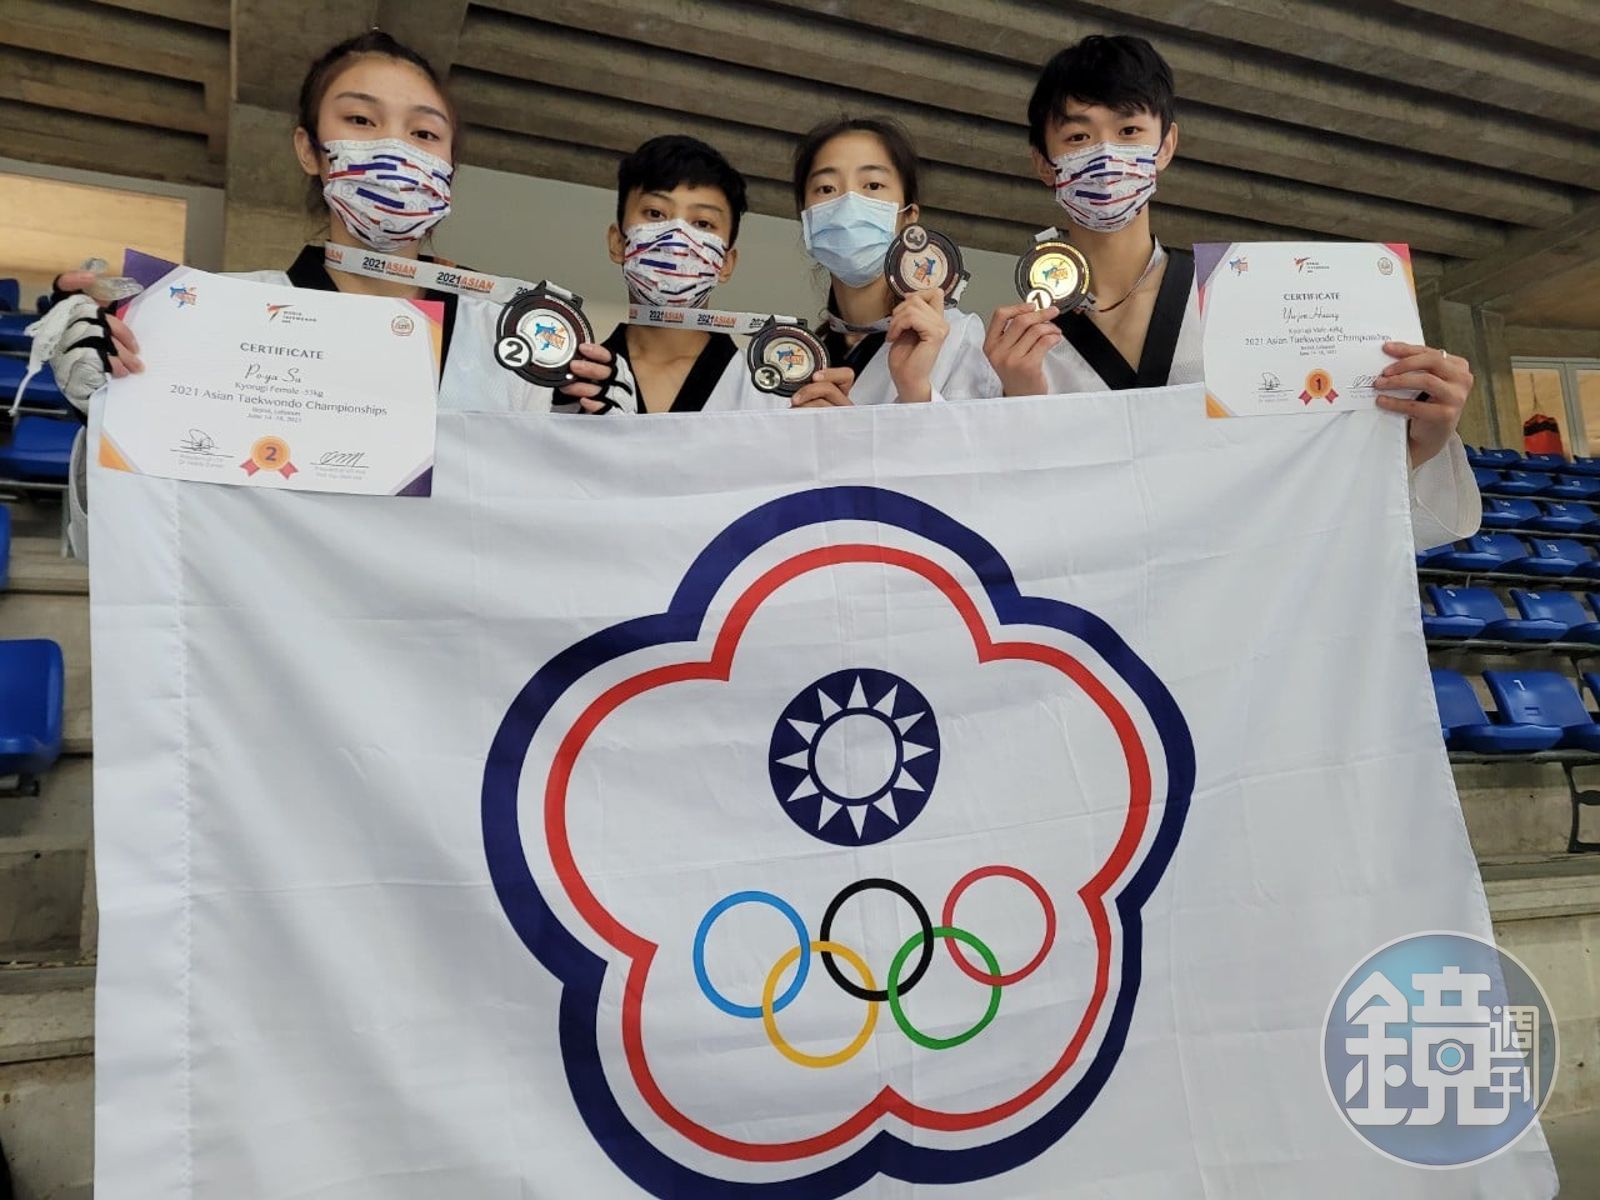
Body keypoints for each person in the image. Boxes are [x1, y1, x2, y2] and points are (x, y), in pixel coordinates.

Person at [973, 35, 1479, 549]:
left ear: (1165, 146)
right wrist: (1018, 403)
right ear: (1044, 162)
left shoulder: (1249, 301)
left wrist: (1420, 443)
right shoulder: (1011, 349)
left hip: (1239, 585)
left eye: (1129, 131)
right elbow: (995, 518)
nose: (1106, 156)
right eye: (1079, 137)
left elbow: (1318, 482)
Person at [708, 116, 988, 410]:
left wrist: (914, 390)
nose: (848, 203)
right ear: (807, 219)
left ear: (909, 217)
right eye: (826, 189)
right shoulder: (788, 361)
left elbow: (977, 439)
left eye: (873, 185)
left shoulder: (955, 338)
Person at [557, 135, 760, 414]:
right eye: (655, 213)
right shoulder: (568, 388)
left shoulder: (764, 394)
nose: (676, 239)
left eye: (703, 223)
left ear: (726, 263)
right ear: (618, 243)